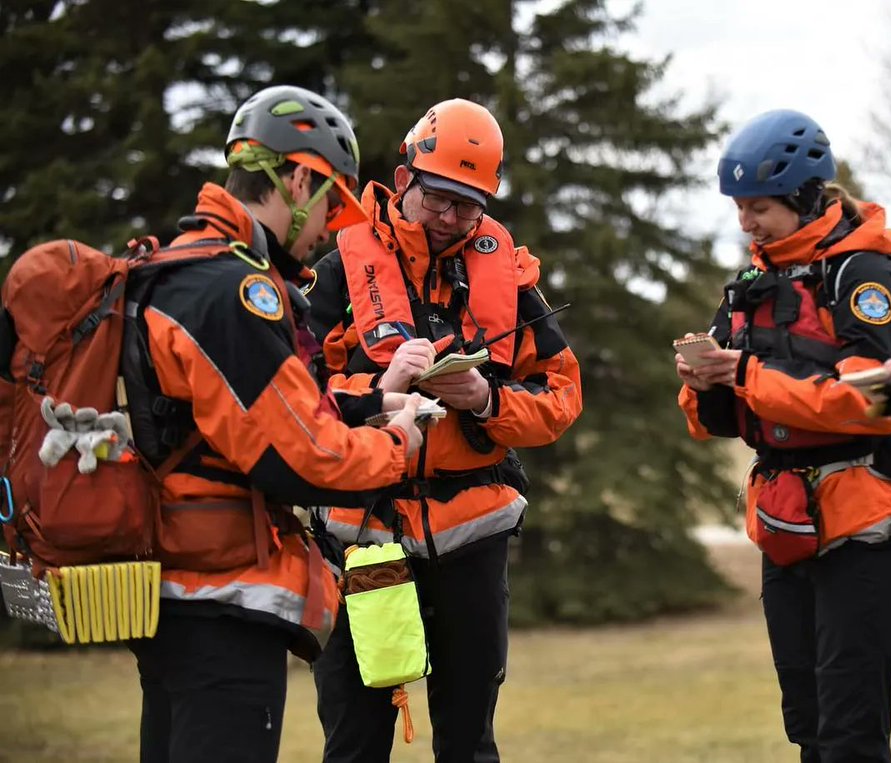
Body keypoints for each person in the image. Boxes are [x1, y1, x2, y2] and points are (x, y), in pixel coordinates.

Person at [124, 84, 429, 763]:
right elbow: (308, 458)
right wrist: (399, 441)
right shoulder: (236, 291)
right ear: (297, 177)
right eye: (330, 204)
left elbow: (238, 417)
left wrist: (372, 402)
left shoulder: (174, 270)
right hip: (224, 599)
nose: (329, 229)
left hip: (169, 590)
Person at [305, 98, 583, 763]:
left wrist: (487, 399)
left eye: (470, 205)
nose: (452, 219)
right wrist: (381, 391)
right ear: (404, 181)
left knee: (468, 741)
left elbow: (563, 394)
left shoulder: (508, 273)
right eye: (439, 200)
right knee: (354, 737)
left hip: (472, 540)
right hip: (364, 538)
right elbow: (293, 391)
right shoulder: (338, 265)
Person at [675, 109, 891, 762]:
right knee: (811, 729)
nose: (746, 223)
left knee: (851, 737)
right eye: (739, 208)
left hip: (871, 530)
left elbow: (885, 402)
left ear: (803, 195)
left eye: (759, 207)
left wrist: (746, 371)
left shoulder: (868, 274)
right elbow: (720, 420)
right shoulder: (753, 286)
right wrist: (703, 380)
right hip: (790, 527)